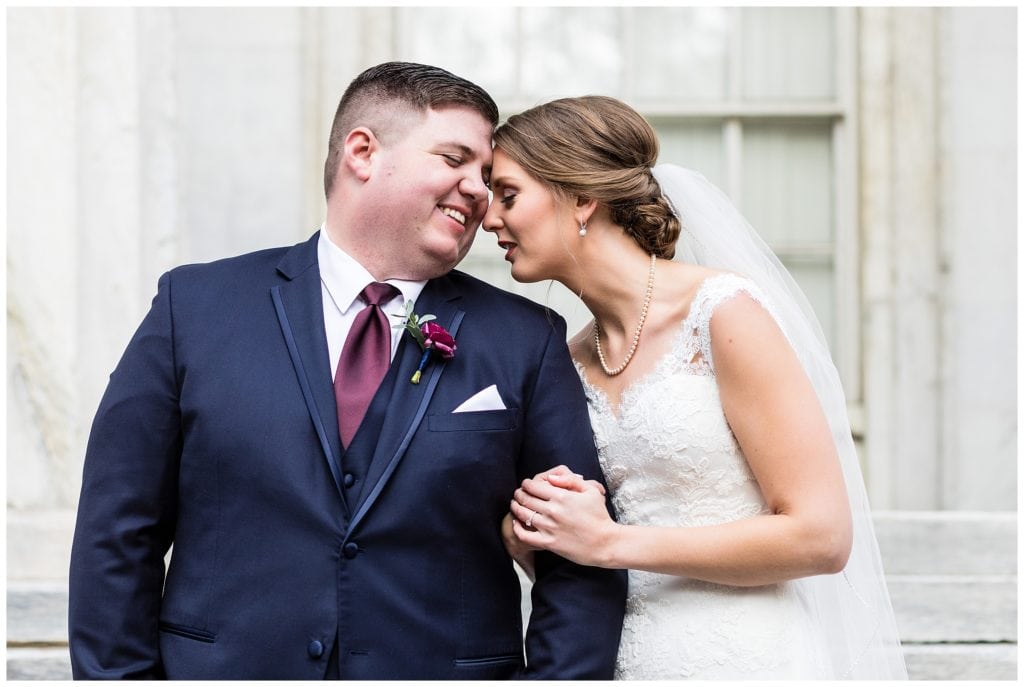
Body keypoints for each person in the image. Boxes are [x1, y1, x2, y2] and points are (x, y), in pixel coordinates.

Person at [68, 63, 626, 680]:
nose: (479, 191)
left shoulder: (526, 338)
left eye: (488, 177)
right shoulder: (194, 308)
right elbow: (117, 533)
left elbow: (579, 561)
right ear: (362, 151)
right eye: (454, 159)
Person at [484, 95, 907, 679]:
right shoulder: (565, 359)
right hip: (627, 660)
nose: (489, 219)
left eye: (507, 196)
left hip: (744, 657)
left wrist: (610, 542)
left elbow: (822, 536)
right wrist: (533, 536)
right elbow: (581, 549)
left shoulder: (723, 314)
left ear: (582, 198)